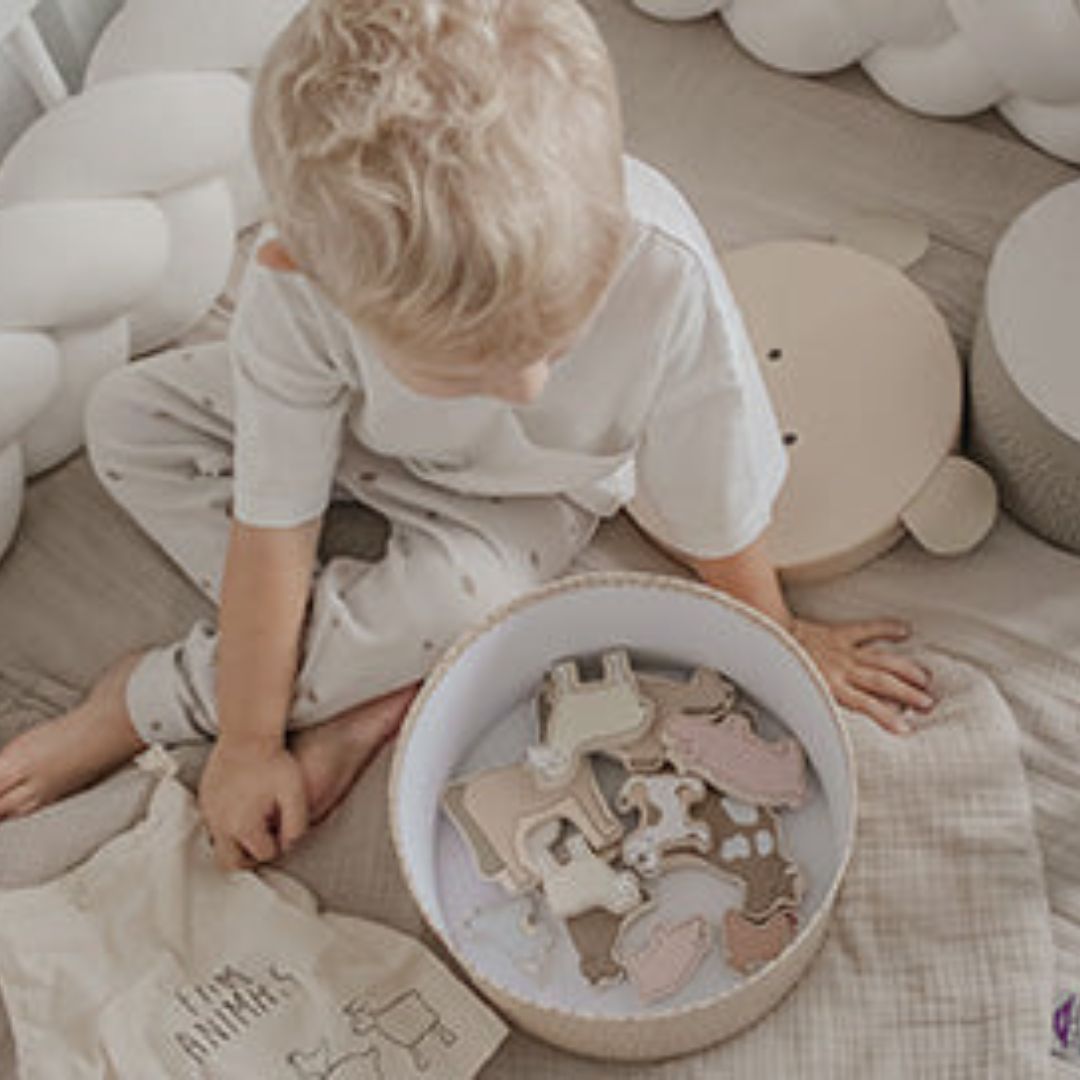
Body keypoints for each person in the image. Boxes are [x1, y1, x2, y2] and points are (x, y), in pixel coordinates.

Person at [0, 0, 933, 865]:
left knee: (459, 605)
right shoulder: (298, 283)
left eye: (552, 342)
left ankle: (152, 694)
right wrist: (247, 746)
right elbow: (271, 523)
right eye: (467, 367)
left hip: (532, 494)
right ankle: (342, 688)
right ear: (302, 269)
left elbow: (715, 489)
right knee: (122, 418)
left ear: (604, 226)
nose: (526, 386)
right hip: (363, 437)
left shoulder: (661, 276)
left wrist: (773, 633)